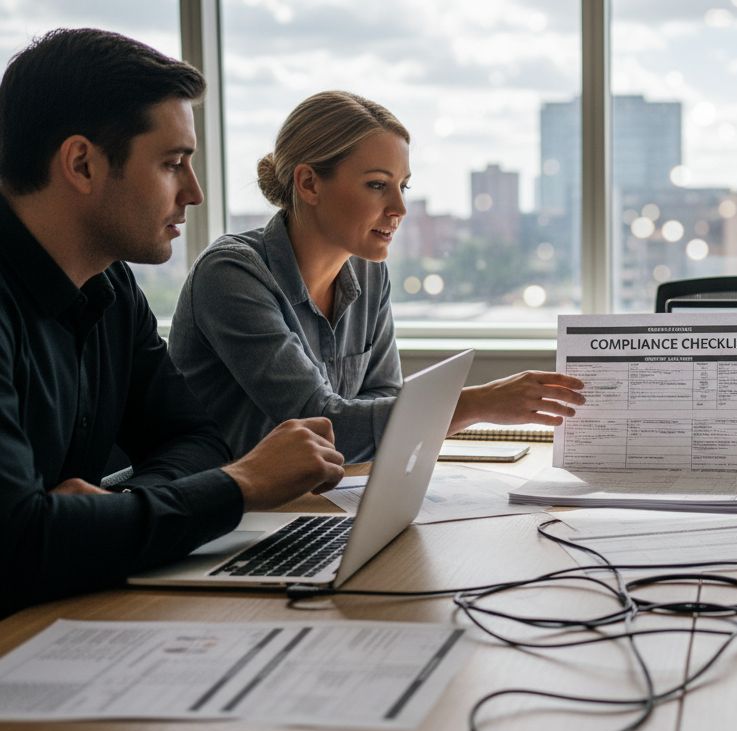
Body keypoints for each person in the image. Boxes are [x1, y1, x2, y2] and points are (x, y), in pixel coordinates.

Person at [0, 29, 346, 616]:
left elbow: (197, 438)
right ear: (82, 163)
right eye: (172, 163)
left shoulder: (110, 285)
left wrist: (113, 511)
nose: (194, 192)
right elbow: (18, 546)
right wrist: (242, 486)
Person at [168, 91, 584, 463]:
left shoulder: (368, 272)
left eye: (403, 185)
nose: (399, 208)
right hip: (228, 517)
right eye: (376, 185)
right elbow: (321, 425)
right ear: (309, 183)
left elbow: (383, 397)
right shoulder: (231, 275)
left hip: (317, 501)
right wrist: (476, 404)